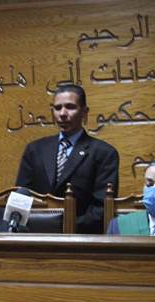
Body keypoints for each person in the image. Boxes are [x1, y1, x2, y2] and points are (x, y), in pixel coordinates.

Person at [16, 84, 119, 234]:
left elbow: (102, 207)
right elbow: (21, 196)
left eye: (70, 107)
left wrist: (65, 227)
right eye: (58, 108)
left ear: (84, 112)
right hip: (36, 236)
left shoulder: (104, 153)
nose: (63, 114)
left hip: (83, 238)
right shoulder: (35, 149)